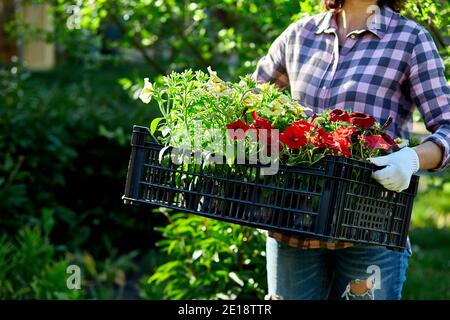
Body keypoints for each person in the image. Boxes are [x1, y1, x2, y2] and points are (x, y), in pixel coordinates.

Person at [252, 0, 450, 300]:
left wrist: (411, 159)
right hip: (293, 224)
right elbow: (250, 105)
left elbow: (447, 126)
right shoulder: (299, 35)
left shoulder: (409, 39)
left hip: (370, 226)